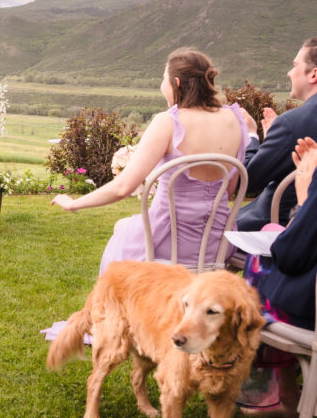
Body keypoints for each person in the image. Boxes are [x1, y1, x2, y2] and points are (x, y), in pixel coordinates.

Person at [51, 49, 249, 275]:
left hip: (169, 243)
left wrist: (73, 203)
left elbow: (122, 188)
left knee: (123, 231)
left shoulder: (168, 122)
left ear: (176, 82)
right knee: (124, 227)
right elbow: (230, 190)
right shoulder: (234, 119)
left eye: (163, 80)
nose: (161, 87)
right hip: (217, 245)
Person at [237, 136, 317, 416]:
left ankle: (275, 392)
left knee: (259, 262)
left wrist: (305, 194)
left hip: (310, 312)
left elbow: (292, 254)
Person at [237, 37, 317, 232]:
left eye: (295, 65)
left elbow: (246, 181)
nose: (289, 73)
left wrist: (251, 137)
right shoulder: (288, 126)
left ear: (313, 74)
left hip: (281, 226)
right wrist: (275, 138)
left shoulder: (291, 124)